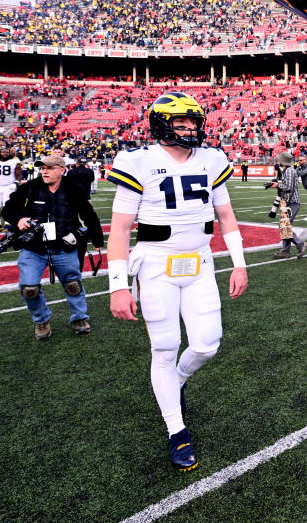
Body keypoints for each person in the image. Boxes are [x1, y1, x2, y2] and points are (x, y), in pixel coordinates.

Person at [106, 92, 249, 472]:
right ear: (160, 124)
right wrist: (117, 285)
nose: (189, 129)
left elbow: (226, 215)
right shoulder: (137, 161)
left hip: (200, 262)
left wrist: (239, 264)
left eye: (193, 122)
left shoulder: (212, 159)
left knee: (206, 345)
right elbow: (120, 229)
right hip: (155, 264)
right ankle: (177, 430)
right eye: (180, 122)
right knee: (165, 348)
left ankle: (178, 381)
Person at [2, 154, 104, 339]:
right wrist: (19, 219)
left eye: (49, 168)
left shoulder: (74, 189)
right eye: (42, 168)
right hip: (34, 247)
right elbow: (7, 209)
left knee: (73, 285)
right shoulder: (29, 188)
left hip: (64, 246)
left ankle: (80, 318)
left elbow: (89, 215)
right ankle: (41, 320)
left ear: (62, 170)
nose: (44, 171)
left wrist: (97, 240)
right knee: (29, 288)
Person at [269, 151, 307, 258]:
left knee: (284, 226)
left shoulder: (289, 171)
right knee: (284, 226)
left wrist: (277, 185)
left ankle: (301, 244)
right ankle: (285, 251)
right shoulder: (288, 170)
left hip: (292, 203)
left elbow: (288, 187)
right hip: (288, 202)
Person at [0, 146, 21, 232]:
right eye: (3, 152)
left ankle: (8, 224)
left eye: (7, 152)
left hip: (8, 186)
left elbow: (19, 174)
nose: (5, 154)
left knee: (7, 205)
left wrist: (16, 182)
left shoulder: (14, 161)